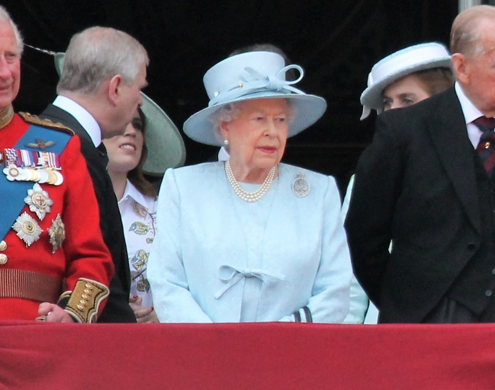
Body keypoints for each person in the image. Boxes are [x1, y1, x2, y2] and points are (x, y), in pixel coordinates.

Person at [345, 5, 495, 323]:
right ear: (462, 67)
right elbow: (363, 234)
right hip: (430, 321)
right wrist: (405, 303)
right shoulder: (404, 132)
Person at [0, 0, 113, 323]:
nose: (5, 71)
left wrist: (72, 315)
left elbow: (92, 256)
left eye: (12, 57)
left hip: (41, 339)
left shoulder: (61, 146)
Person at [149, 50, 352, 323]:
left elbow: (336, 289)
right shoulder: (184, 187)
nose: (272, 131)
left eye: (280, 120)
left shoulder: (319, 191)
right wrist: (213, 342)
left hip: (291, 353)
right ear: (225, 128)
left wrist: (280, 337)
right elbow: (166, 281)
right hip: (204, 355)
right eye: (259, 119)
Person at [42, 28, 150, 323]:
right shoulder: (75, 151)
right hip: (80, 348)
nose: (139, 102)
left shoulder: (35, 139)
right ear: (115, 88)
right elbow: (96, 274)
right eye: (139, 89)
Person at [342, 41, 454, 324]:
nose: (394, 112)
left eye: (407, 100)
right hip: (394, 331)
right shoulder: (367, 179)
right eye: (388, 103)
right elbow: (351, 284)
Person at [102, 96, 186, 323]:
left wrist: (163, 315)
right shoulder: (65, 203)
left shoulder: (165, 210)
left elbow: (192, 281)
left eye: (137, 126)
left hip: (153, 344)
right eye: (120, 121)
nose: (130, 131)